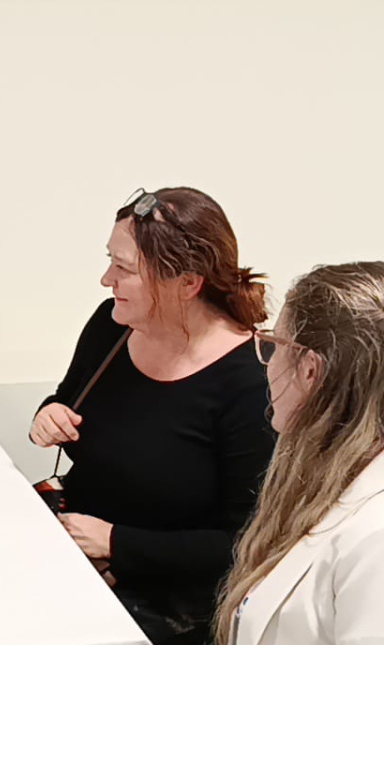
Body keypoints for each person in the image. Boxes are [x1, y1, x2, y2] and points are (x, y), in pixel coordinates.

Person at [29, 187, 275, 644]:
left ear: (187, 283)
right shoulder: (113, 326)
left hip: (169, 605)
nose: (106, 279)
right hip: (74, 557)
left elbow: (246, 542)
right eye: (110, 261)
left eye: (123, 268)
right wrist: (49, 415)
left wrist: (116, 544)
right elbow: (66, 399)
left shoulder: (252, 381)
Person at [216, 262, 384, 644]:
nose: (268, 364)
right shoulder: (324, 476)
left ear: (310, 370)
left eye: (276, 345)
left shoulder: (376, 535)